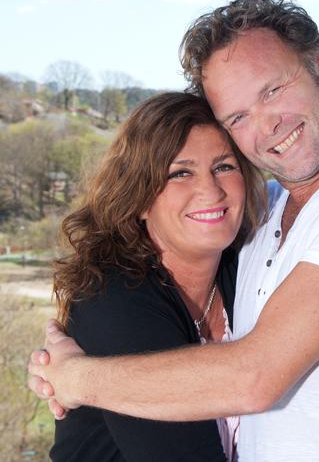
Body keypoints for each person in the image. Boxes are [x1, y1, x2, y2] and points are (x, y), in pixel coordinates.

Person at [29, 0, 319, 462]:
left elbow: (255, 377)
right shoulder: (263, 212)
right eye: (237, 116)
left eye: (272, 91)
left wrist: (74, 377)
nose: (267, 125)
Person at [42, 91, 266, 461]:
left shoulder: (245, 271)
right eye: (180, 173)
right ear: (141, 199)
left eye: (224, 166)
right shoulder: (115, 302)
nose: (210, 190)